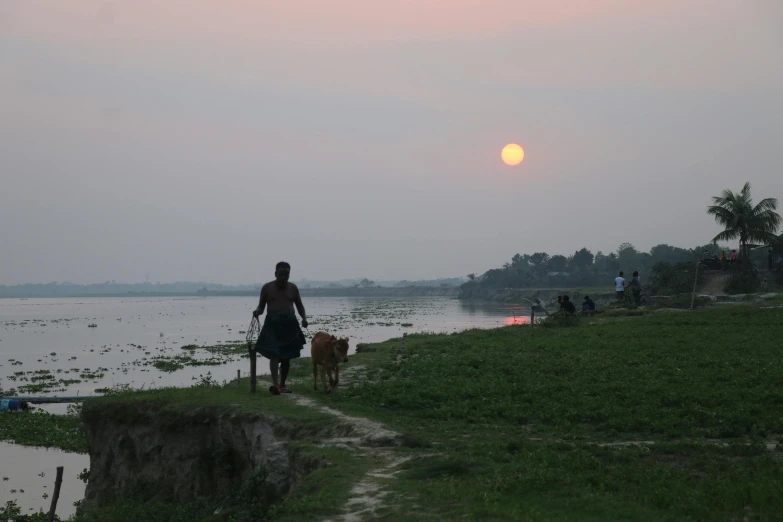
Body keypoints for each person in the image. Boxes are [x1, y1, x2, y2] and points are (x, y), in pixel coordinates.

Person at [253, 262, 308, 395]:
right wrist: (257, 312)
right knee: (274, 354)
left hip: (290, 323)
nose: (284, 277)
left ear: (289, 274)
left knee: (286, 357)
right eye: (281, 274)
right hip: (272, 323)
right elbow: (261, 307)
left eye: (286, 274)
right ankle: (276, 385)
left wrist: (304, 318)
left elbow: (300, 306)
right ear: (276, 274)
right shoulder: (267, 288)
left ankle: (283, 384)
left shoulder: (293, 288)